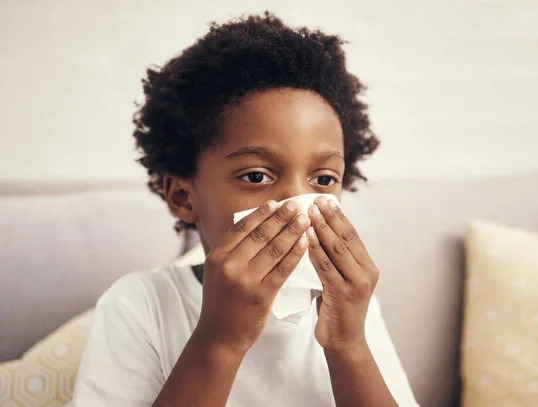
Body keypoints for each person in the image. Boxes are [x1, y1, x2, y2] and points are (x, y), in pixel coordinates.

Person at [72, 12, 420, 407]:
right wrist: (220, 340)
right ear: (184, 198)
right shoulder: (141, 305)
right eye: (256, 176)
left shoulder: (352, 307)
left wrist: (348, 344)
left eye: (323, 180)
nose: (296, 206)